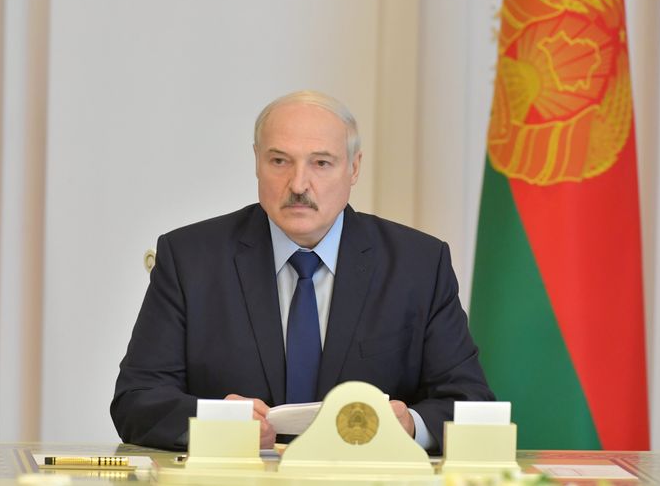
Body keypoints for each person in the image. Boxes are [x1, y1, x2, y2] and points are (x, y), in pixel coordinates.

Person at [111, 90, 494, 454]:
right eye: (280, 161)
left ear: (354, 168)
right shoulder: (190, 258)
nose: (298, 184)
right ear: (257, 162)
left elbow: (471, 405)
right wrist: (216, 421)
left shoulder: (418, 265)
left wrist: (410, 424)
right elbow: (136, 400)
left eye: (321, 163)